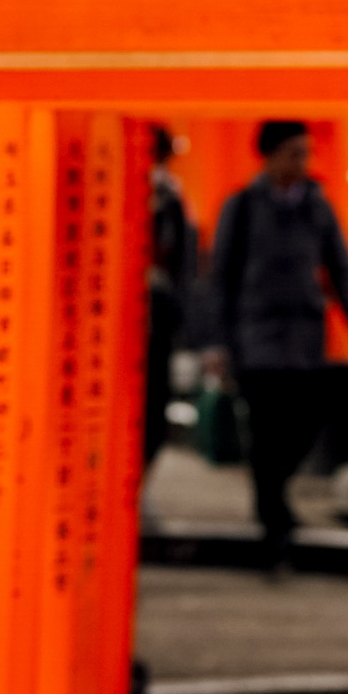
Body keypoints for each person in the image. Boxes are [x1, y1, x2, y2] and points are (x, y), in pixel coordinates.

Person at [202, 118, 348, 578]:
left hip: (304, 338)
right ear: (271, 155)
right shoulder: (241, 207)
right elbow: (221, 278)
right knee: (266, 434)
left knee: (304, 426)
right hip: (255, 340)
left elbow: (341, 272)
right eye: (295, 153)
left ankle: (273, 501)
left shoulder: (318, 208)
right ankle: (275, 533)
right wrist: (218, 342)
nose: (304, 162)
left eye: (307, 153)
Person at [145, 125, 196, 466]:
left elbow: (183, 262)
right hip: (139, 312)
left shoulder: (169, 197)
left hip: (157, 312)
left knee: (152, 403)